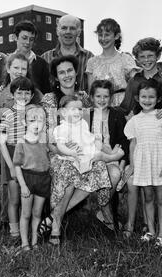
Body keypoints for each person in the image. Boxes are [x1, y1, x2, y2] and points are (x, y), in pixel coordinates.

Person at [38, 55, 113, 246]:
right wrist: (63, 152)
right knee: (69, 174)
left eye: (69, 70)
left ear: (76, 72)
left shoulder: (84, 98)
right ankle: (55, 227)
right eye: (61, 72)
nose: (66, 75)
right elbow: (48, 135)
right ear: (56, 77)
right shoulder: (49, 99)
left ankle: (53, 217)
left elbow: (94, 124)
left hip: (82, 149)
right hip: (57, 150)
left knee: (98, 169)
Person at [119, 37, 162, 238]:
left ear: (157, 56)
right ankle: (149, 228)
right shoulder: (134, 80)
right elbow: (125, 107)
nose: (147, 60)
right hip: (140, 137)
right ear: (137, 59)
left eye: (150, 56)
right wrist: (126, 115)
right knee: (147, 189)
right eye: (142, 57)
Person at [124, 79, 162, 248]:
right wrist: (133, 165)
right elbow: (133, 144)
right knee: (148, 197)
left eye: (151, 97)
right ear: (137, 98)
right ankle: (151, 231)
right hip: (144, 164)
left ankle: (161, 235)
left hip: (160, 162)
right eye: (143, 96)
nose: (147, 100)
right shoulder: (135, 120)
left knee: (161, 198)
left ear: (157, 99)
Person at [0, 76, 35, 242]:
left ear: (32, 95)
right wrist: (11, 166)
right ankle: (14, 232)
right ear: (12, 94)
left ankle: (29, 229)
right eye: (19, 93)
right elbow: (2, 143)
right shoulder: (8, 114)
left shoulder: (33, 113)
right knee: (14, 197)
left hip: (29, 155)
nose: (23, 97)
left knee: (28, 194)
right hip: (12, 154)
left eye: (27, 93)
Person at [88, 80, 129, 230]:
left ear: (110, 98)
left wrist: (120, 161)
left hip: (113, 158)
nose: (102, 100)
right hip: (92, 158)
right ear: (92, 97)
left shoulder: (117, 114)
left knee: (116, 174)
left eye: (106, 96)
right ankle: (107, 215)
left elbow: (124, 141)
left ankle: (102, 204)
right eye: (98, 96)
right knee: (102, 173)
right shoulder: (87, 115)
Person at [54, 95, 124, 174]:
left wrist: (93, 137)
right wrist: (70, 152)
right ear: (63, 112)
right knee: (98, 155)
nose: (77, 112)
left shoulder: (82, 123)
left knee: (98, 143)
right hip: (76, 155)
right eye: (73, 109)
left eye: (79, 109)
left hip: (86, 147)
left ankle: (110, 152)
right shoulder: (63, 128)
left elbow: (86, 135)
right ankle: (112, 157)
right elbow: (60, 145)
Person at [13, 105, 51, 252]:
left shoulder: (45, 140)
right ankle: (24, 243)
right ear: (25, 123)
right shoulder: (21, 142)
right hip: (28, 179)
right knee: (26, 213)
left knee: (37, 213)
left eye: (41, 121)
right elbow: (17, 166)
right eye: (32, 121)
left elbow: (53, 153)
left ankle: (34, 241)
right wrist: (22, 185)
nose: (37, 124)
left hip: (42, 179)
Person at [86, 18, 141, 106]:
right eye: (100, 35)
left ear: (116, 36)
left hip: (122, 106)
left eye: (107, 35)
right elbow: (91, 91)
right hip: (101, 106)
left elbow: (136, 85)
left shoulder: (125, 59)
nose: (103, 39)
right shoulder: (92, 62)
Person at [0, 20, 51, 95]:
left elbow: (47, 92)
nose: (28, 42)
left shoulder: (42, 63)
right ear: (15, 37)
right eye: (24, 38)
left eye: (31, 39)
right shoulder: (5, 61)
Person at [41, 14, 94, 92]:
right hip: (51, 103)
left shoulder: (89, 58)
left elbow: (94, 90)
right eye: (64, 28)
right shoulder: (45, 58)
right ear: (57, 31)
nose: (68, 31)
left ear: (78, 32)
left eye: (72, 28)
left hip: (82, 103)